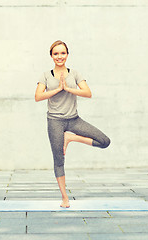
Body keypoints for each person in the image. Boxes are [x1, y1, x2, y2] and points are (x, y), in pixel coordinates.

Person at [35, 40, 111, 208]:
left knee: (104, 141)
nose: (59, 56)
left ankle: (70, 138)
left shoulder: (75, 73)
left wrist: (69, 88)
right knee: (59, 160)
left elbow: (88, 93)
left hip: (74, 120)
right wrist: (57, 89)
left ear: (67, 55)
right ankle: (64, 198)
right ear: (51, 56)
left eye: (62, 53)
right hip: (55, 121)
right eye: (56, 54)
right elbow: (38, 96)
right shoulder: (46, 75)